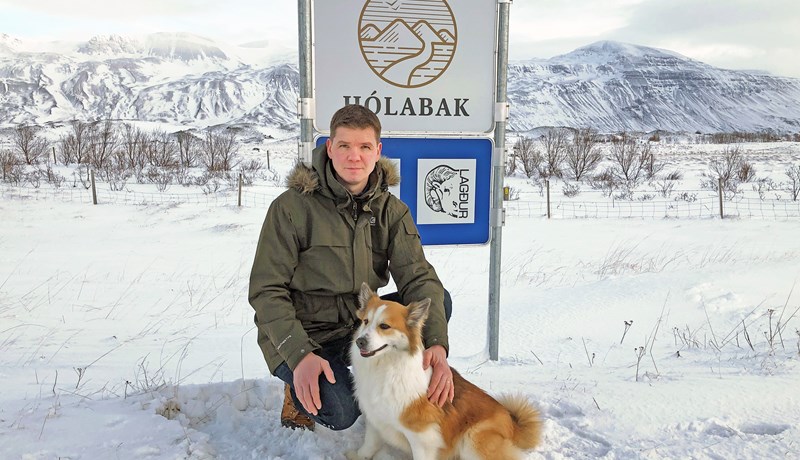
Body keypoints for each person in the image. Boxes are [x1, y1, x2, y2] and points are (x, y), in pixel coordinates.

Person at [248, 104, 454, 431]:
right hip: (306, 333)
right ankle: (297, 386)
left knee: (437, 300)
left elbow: (419, 277)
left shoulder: (391, 211)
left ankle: (392, 380)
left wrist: (438, 346)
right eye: (344, 145)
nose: (353, 156)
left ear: (378, 152)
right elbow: (266, 291)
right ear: (329, 148)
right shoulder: (291, 208)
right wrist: (299, 355)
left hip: (359, 326)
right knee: (342, 411)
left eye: (364, 147)